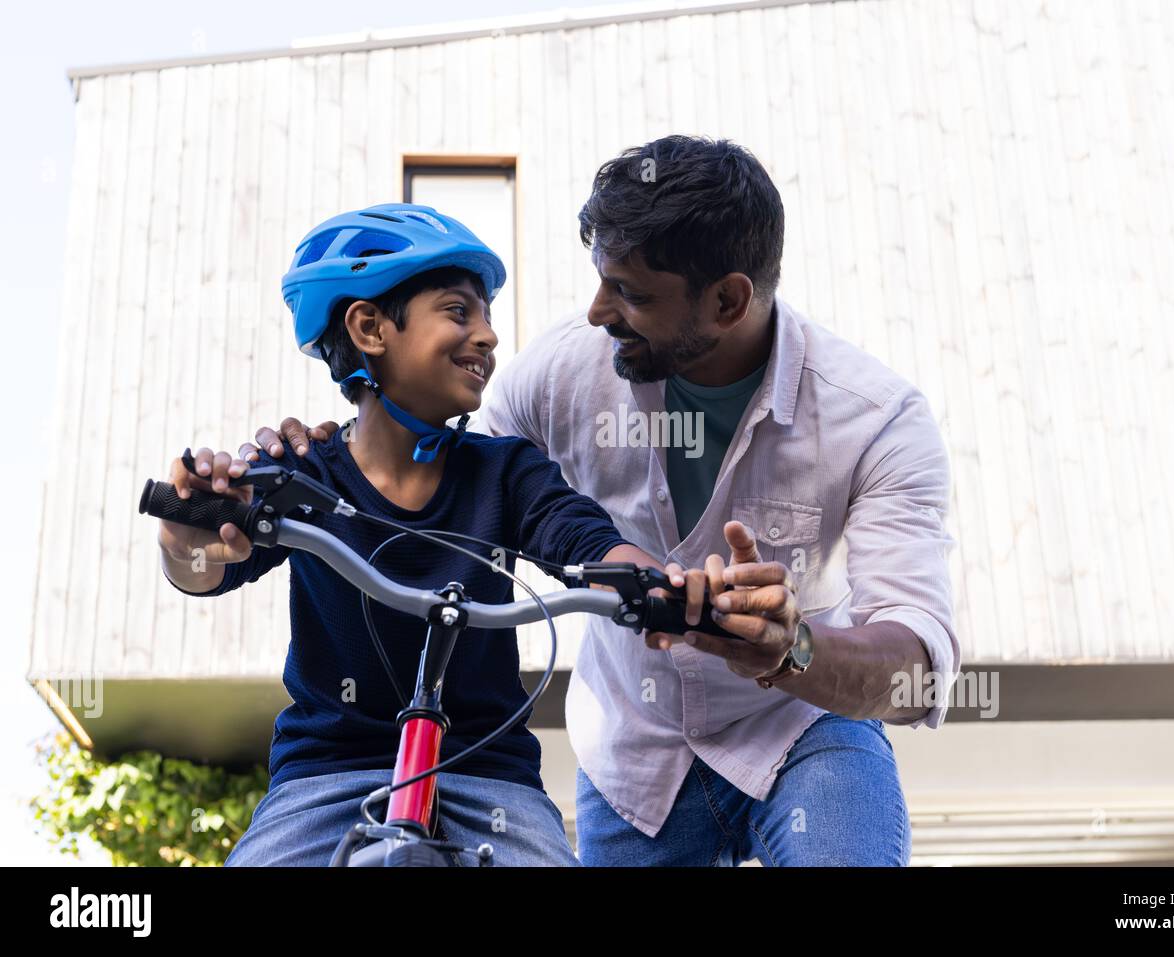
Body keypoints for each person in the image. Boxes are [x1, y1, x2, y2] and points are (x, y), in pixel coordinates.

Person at [249, 136, 960, 866]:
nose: (597, 312)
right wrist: (343, 444)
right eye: (601, 280)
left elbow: (919, 667)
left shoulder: (874, 418)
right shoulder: (557, 378)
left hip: (800, 726)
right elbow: (453, 478)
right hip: (635, 751)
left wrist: (791, 647)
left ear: (727, 300)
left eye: (631, 293)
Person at [157, 203, 672, 866]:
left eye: (487, 318)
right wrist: (186, 532)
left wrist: (658, 582)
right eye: (460, 312)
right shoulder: (300, 474)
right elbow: (206, 564)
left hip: (488, 776)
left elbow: (581, 536)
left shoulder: (505, 471)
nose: (487, 336)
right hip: (328, 776)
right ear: (370, 326)